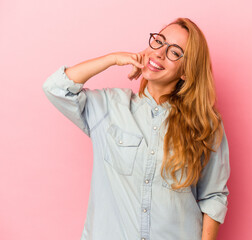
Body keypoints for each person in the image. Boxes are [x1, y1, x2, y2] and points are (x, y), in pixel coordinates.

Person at [42, 17, 230, 240]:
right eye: (159, 42)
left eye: (175, 52)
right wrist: (112, 59)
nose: (159, 53)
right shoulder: (109, 107)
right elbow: (56, 87)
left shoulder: (205, 125)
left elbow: (213, 196)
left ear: (186, 72)